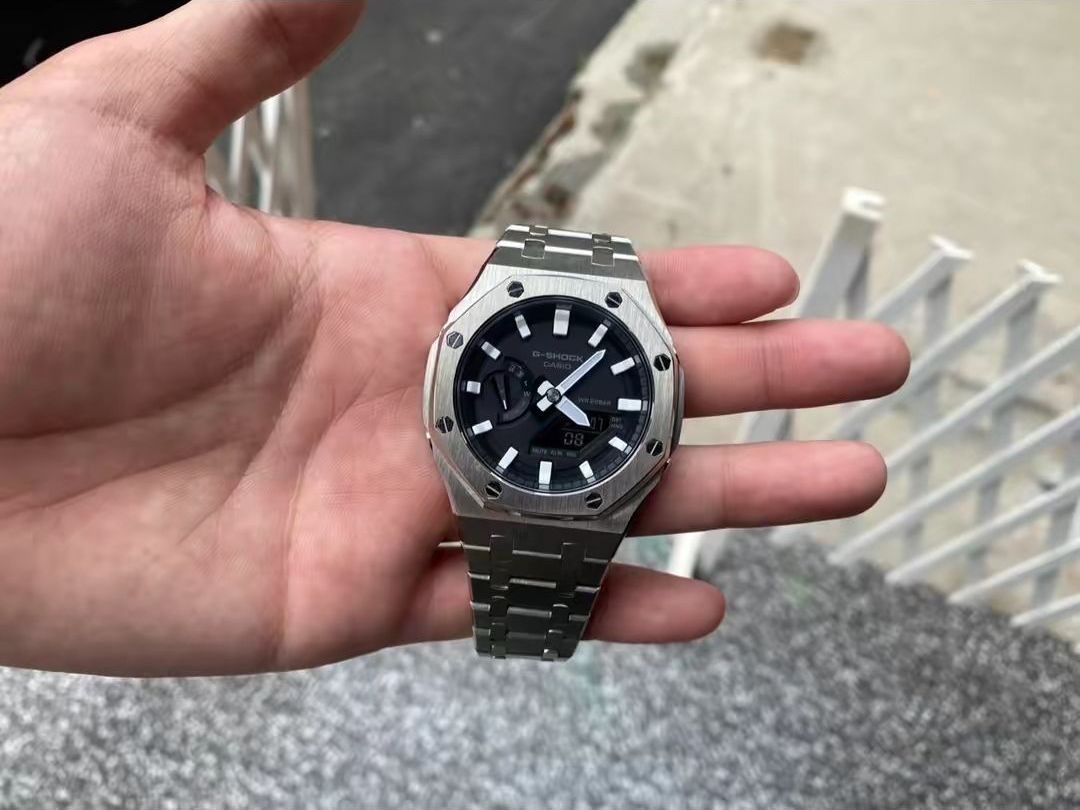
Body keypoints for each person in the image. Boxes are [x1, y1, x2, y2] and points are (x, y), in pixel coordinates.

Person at [0, 1, 909, 676]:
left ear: (658, 420)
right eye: (540, 386)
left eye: (560, 391)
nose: (548, 392)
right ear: (445, 379)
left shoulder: (569, 402)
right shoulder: (492, 404)